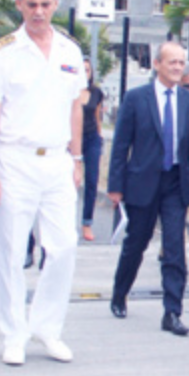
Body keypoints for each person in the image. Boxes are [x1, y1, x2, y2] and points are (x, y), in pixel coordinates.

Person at [0, 0, 85, 366]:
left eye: (45, 4)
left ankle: (47, 328)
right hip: (14, 159)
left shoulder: (70, 52)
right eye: (31, 4)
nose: (39, 12)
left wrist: (77, 157)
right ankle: (14, 334)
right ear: (19, 4)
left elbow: (76, 107)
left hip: (56, 160)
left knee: (64, 246)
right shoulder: (3, 50)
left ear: (56, 5)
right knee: (12, 249)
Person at [107, 42, 189, 335]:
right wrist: (116, 186)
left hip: (176, 184)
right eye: (172, 62)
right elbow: (121, 145)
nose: (177, 67)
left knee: (175, 248)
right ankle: (119, 293)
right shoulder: (137, 98)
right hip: (143, 181)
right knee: (136, 243)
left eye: (181, 62)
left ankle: (172, 312)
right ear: (156, 64)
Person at [78, 58, 105, 242]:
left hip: (92, 138)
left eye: (88, 69)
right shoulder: (70, 91)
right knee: (70, 180)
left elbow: (97, 115)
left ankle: (87, 222)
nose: (85, 72)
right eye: (82, 69)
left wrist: (100, 135)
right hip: (74, 139)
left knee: (92, 180)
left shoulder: (96, 92)